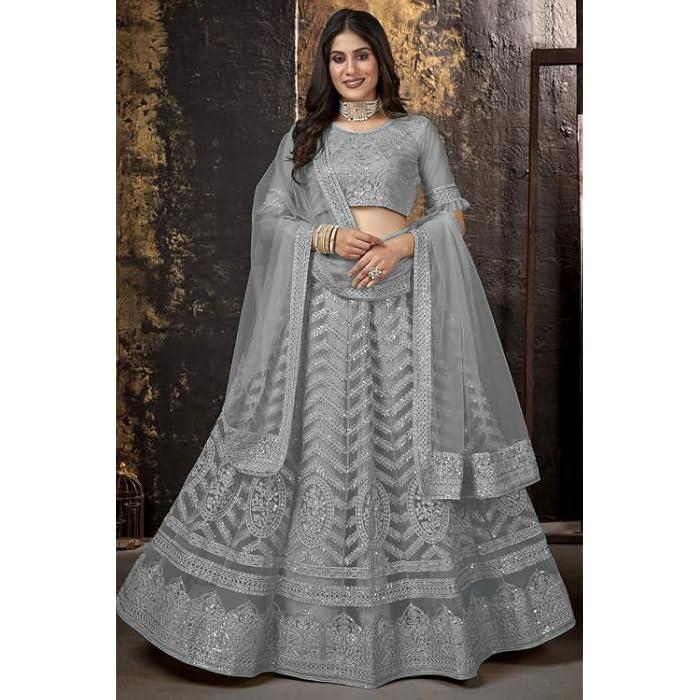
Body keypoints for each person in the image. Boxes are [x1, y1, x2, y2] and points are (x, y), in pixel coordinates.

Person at [116, 8, 576, 689]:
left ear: (380, 60)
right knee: (321, 443)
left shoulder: (416, 132)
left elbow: (451, 213)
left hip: (403, 308)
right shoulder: (304, 138)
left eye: (361, 55)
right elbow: (269, 216)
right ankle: (283, 622)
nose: (351, 69)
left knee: (408, 445)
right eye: (338, 58)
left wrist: (399, 246)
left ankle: (433, 622)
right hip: (321, 314)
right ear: (325, 68)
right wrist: (325, 237)